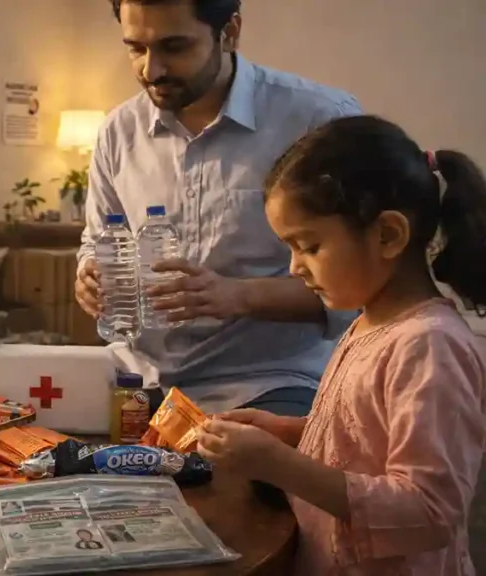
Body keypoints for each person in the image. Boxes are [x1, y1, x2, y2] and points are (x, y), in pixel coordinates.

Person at [197, 115, 486, 575]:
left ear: (388, 234)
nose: (294, 268)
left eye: (309, 246)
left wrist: (278, 465)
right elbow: (368, 436)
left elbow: (431, 511)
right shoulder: (370, 321)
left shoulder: (430, 347)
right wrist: (290, 432)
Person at [75, 0, 363, 417]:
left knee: (235, 479)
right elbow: (95, 242)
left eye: (174, 47)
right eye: (135, 48)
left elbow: (357, 283)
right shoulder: (117, 133)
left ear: (229, 32)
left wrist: (237, 296)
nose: (151, 70)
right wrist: (88, 276)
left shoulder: (317, 121)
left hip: (269, 381)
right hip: (140, 380)